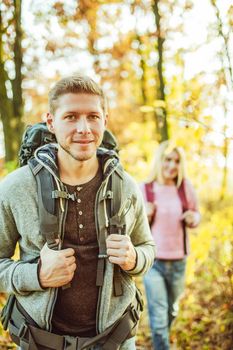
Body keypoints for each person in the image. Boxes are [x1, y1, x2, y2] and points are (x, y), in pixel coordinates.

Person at [0, 74, 155, 350]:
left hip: (116, 339)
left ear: (104, 120)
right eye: (71, 117)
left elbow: (148, 248)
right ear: (51, 122)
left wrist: (134, 258)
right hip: (40, 341)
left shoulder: (126, 185)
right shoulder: (15, 188)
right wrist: (36, 275)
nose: (84, 128)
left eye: (93, 116)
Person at [141, 140, 200, 350]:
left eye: (176, 161)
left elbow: (196, 213)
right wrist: (145, 214)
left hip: (178, 262)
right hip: (153, 262)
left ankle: (162, 337)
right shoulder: (145, 189)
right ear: (159, 160)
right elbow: (132, 225)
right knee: (158, 318)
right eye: (168, 160)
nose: (172, 166)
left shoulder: (184, 188)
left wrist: (193, 217)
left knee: (171, 311)